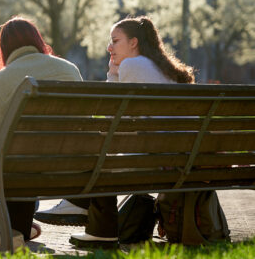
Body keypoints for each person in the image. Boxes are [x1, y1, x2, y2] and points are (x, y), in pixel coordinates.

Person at [35, 15, 195, 248]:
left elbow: (115, 119)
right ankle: (83, 210)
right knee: (102, 153)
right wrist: (114, 72)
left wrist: (113, 74)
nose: (110, 47)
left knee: (93, 151)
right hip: (177, 160)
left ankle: (90, 217)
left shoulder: (134, 64)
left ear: (134, 42)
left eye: (115, 41)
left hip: (153, 162)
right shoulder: (166, 69)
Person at [0, 16, 83, 255]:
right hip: (69, 168)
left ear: (4, 48)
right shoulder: (69, 70)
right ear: (37, 40)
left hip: (22, 170)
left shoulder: (0, 82)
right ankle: (16, 233)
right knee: (17, 160)